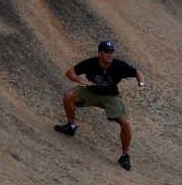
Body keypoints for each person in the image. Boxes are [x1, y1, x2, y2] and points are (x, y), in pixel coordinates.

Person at [54, 41, 146, 170]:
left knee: (126, 123)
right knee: (69, 95)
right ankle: (71, 126)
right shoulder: (91, 63)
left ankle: (125, 156)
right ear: (100, 53)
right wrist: (81, 81)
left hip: (111, 97)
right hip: (91, 92)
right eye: (106, 52)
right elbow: (69, 72)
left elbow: (138, 73)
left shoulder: (119, 65)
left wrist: (141, 85)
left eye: (111, 52)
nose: (110, 54)